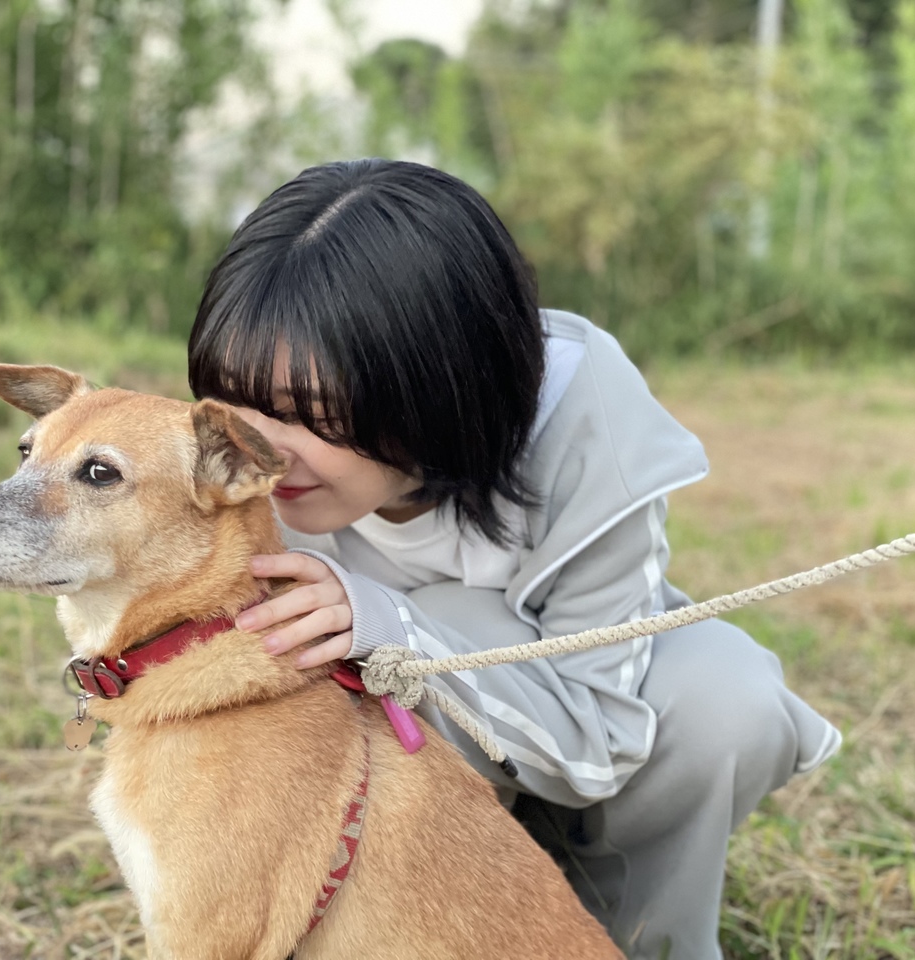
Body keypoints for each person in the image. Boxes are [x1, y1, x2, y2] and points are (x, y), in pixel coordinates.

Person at [186, 158, 841, 960]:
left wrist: (391, 628)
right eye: (232, 399)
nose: (261, 449)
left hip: (576, 742)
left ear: (435, 387)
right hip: (401, 811)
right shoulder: (228, 467)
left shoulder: (583, 418)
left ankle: (640, 933)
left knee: (725, 697)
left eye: (312, 414)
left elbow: (599, 737)